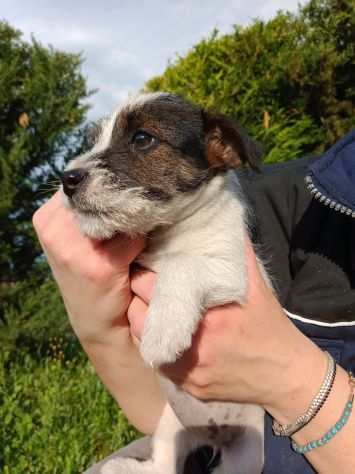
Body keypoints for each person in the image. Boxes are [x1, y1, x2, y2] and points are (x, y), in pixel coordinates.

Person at [33, 130, 355, 473]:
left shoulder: (258, 206)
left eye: (141, 140)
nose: (77, 168)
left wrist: (295, 381)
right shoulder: (291, 195)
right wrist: (100, 327)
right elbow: (160, 406)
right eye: (99, 143)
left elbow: (221, 277)